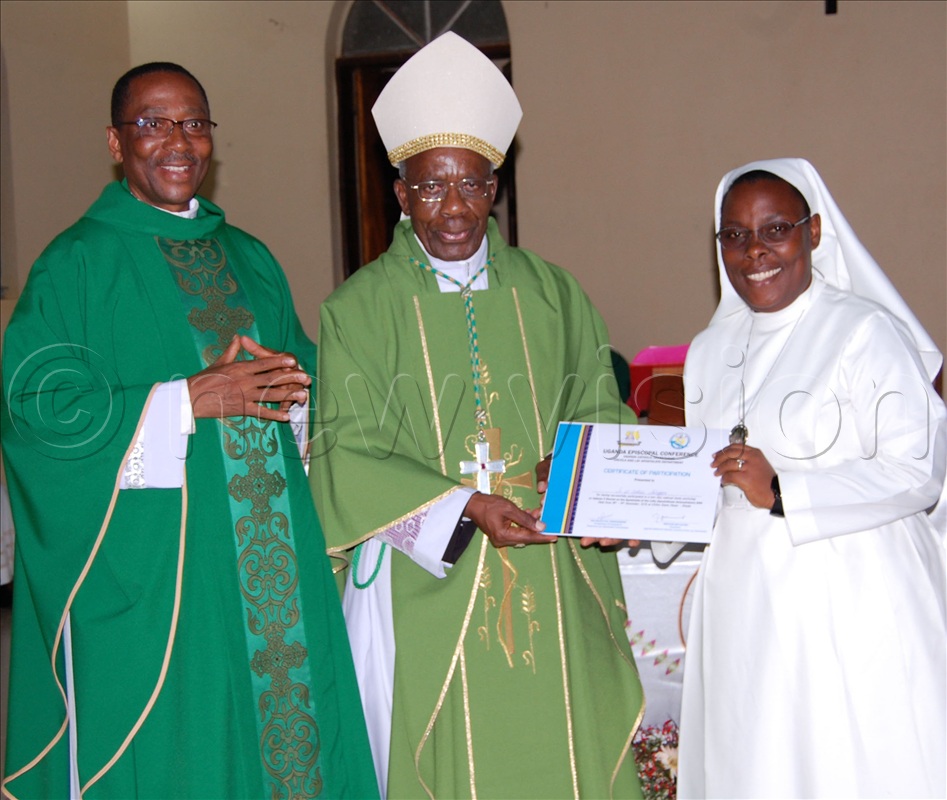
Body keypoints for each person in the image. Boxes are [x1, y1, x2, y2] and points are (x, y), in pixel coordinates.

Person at [0, 62, 376, 799]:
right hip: (158, 576)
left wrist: (297, 389)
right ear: (116, 141)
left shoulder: (251, 258)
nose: (178, 141)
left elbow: (302, 387)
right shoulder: (74, 263)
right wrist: (181, 401)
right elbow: (34, 408)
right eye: (153, 123)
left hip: (270, 576)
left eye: (194, 123)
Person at [311, 32, 645, 799]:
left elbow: (597, 407)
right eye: (430, 188)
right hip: (421, 577)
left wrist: (586, 474)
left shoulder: (554, 293)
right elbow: (346, 456)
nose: (453, 207)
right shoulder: (357, 310)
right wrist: (467, 505)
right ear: (400, 194)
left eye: (470, 184)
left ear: (495, 187)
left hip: (548, 560)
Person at [677, 157, 946, 798]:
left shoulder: (865, 331)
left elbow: (917, 470)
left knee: (843, 761)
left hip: (851, 598)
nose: (754, 251)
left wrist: (784, 492)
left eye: (776, 229)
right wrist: (636, 515)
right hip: (746, 606)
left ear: (814, 233)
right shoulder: (709, 351)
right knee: (760, 761)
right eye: (734, 235)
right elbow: (702, 474)